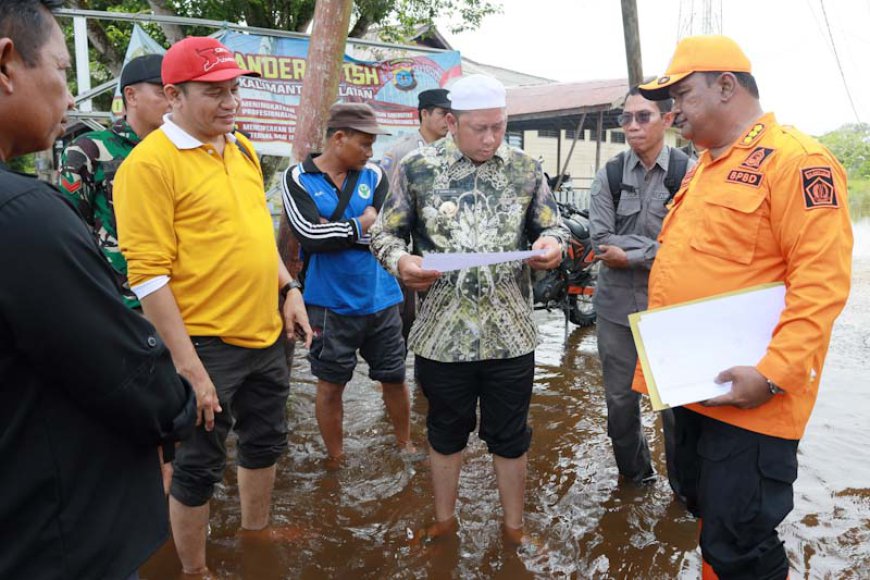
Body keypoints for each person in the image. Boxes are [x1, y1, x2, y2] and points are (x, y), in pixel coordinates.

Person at [635, 35, 852, 578]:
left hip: (753, 400)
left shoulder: (797, 161)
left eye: (681, 95)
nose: (673, 111)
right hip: (694, 389)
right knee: (706, 513)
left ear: (726, 85)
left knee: (742, 542)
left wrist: (773, 375)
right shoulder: (704, 167)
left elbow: (821, 284)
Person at [0, 1, 196, 578]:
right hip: (52, 540)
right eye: (62, 71)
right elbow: (132, 380)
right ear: (7, 64)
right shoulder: (27, 216)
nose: (67, 96)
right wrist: (183, 404)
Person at [113, 36, 313, 576]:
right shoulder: (148, 166)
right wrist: (189, 367)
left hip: (265, 332)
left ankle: (257, 532)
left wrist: (288, 289)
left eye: (233, 90)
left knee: (266, 442)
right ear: (174, 94)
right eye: (214, 92)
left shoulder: (241, 148)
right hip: (203, 345)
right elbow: (149, 277)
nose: (230, 103)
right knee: (198, 465)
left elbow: (256, 234)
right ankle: (195, 570)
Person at [370, 74, 567, 544]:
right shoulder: (416, 167)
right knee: (444, 431)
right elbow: (384, 233)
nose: (490, 138)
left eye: (498, 127)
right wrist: (401, 262)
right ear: (452, 122)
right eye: (478, 128)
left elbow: (554, 225)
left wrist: (552, 243)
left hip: (511, 332)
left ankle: (514, 528)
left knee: (512, 434)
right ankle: (443, 521)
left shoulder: (525, 169)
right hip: (442, 333)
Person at [281, 102, 412, 461]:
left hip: (382, 297)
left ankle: (405, 444)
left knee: (395, 377)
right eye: (365, 143)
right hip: (328, 304)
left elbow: (391, 233)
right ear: (339, 138)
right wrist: (362, 224)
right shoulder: (297, 178)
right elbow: (309, 236)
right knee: (330, 384)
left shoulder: (375, 176)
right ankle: (336, 459)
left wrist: (340, 230)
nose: (371, 152)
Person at [588, 86, 691, 494]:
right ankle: (636, 481)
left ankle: (685, 490)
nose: (632, 126)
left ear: (667, 120)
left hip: (672, 309)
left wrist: (631, 254)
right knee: (620, 402)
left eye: (642, 117)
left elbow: (692, 245)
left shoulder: (691, 174)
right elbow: (600, 240)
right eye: (626, 118)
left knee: (677, 405)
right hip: (616, 310)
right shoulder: (609, 174)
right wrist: (658, 250)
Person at [58, 53, 168, 309]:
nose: (172, 100)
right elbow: (72, 228)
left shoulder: (184, 152)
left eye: (177, 92)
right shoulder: (89, 150)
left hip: (182, 301)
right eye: (162, 92)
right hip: (118, 302)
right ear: (131, 96)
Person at [380, 88, 452, 341]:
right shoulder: (401, 153)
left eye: (452, 114)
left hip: (444, 253)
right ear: (424, 113)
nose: (448, 120)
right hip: (409, 255)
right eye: (443, 113)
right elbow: (385, 207)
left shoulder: (455, 152)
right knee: (403, 326)